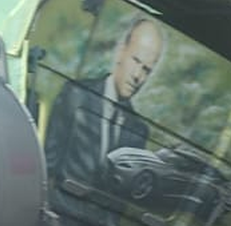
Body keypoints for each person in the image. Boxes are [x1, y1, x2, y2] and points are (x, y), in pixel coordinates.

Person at [44, 17, 165, 196]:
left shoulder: (138, 131)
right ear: (121, 51)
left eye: (146, 70)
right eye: (136, 60)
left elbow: (123, 195)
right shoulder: (76, 95)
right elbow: (46, 166)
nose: (137, 75)